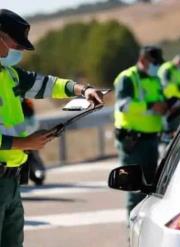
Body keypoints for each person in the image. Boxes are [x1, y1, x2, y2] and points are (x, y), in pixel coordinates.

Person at [0, 9, 104, 247]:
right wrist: (25, 144)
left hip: (11, 183)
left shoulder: (10, 76)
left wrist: (82, 90)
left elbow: (46, 84)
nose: (19, 52)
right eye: (16, 45)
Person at [113, 46, 167, 216]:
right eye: (154, 63)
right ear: (143, 60)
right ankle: (132, 234)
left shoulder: (155, 79)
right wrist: (151, 106)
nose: (156, 67)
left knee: (150, 189)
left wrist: (164, 107)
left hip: (152, 140)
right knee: (135, 189)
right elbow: (124, 105)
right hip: (133, 142)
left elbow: (159, 102)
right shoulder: (127, 78)